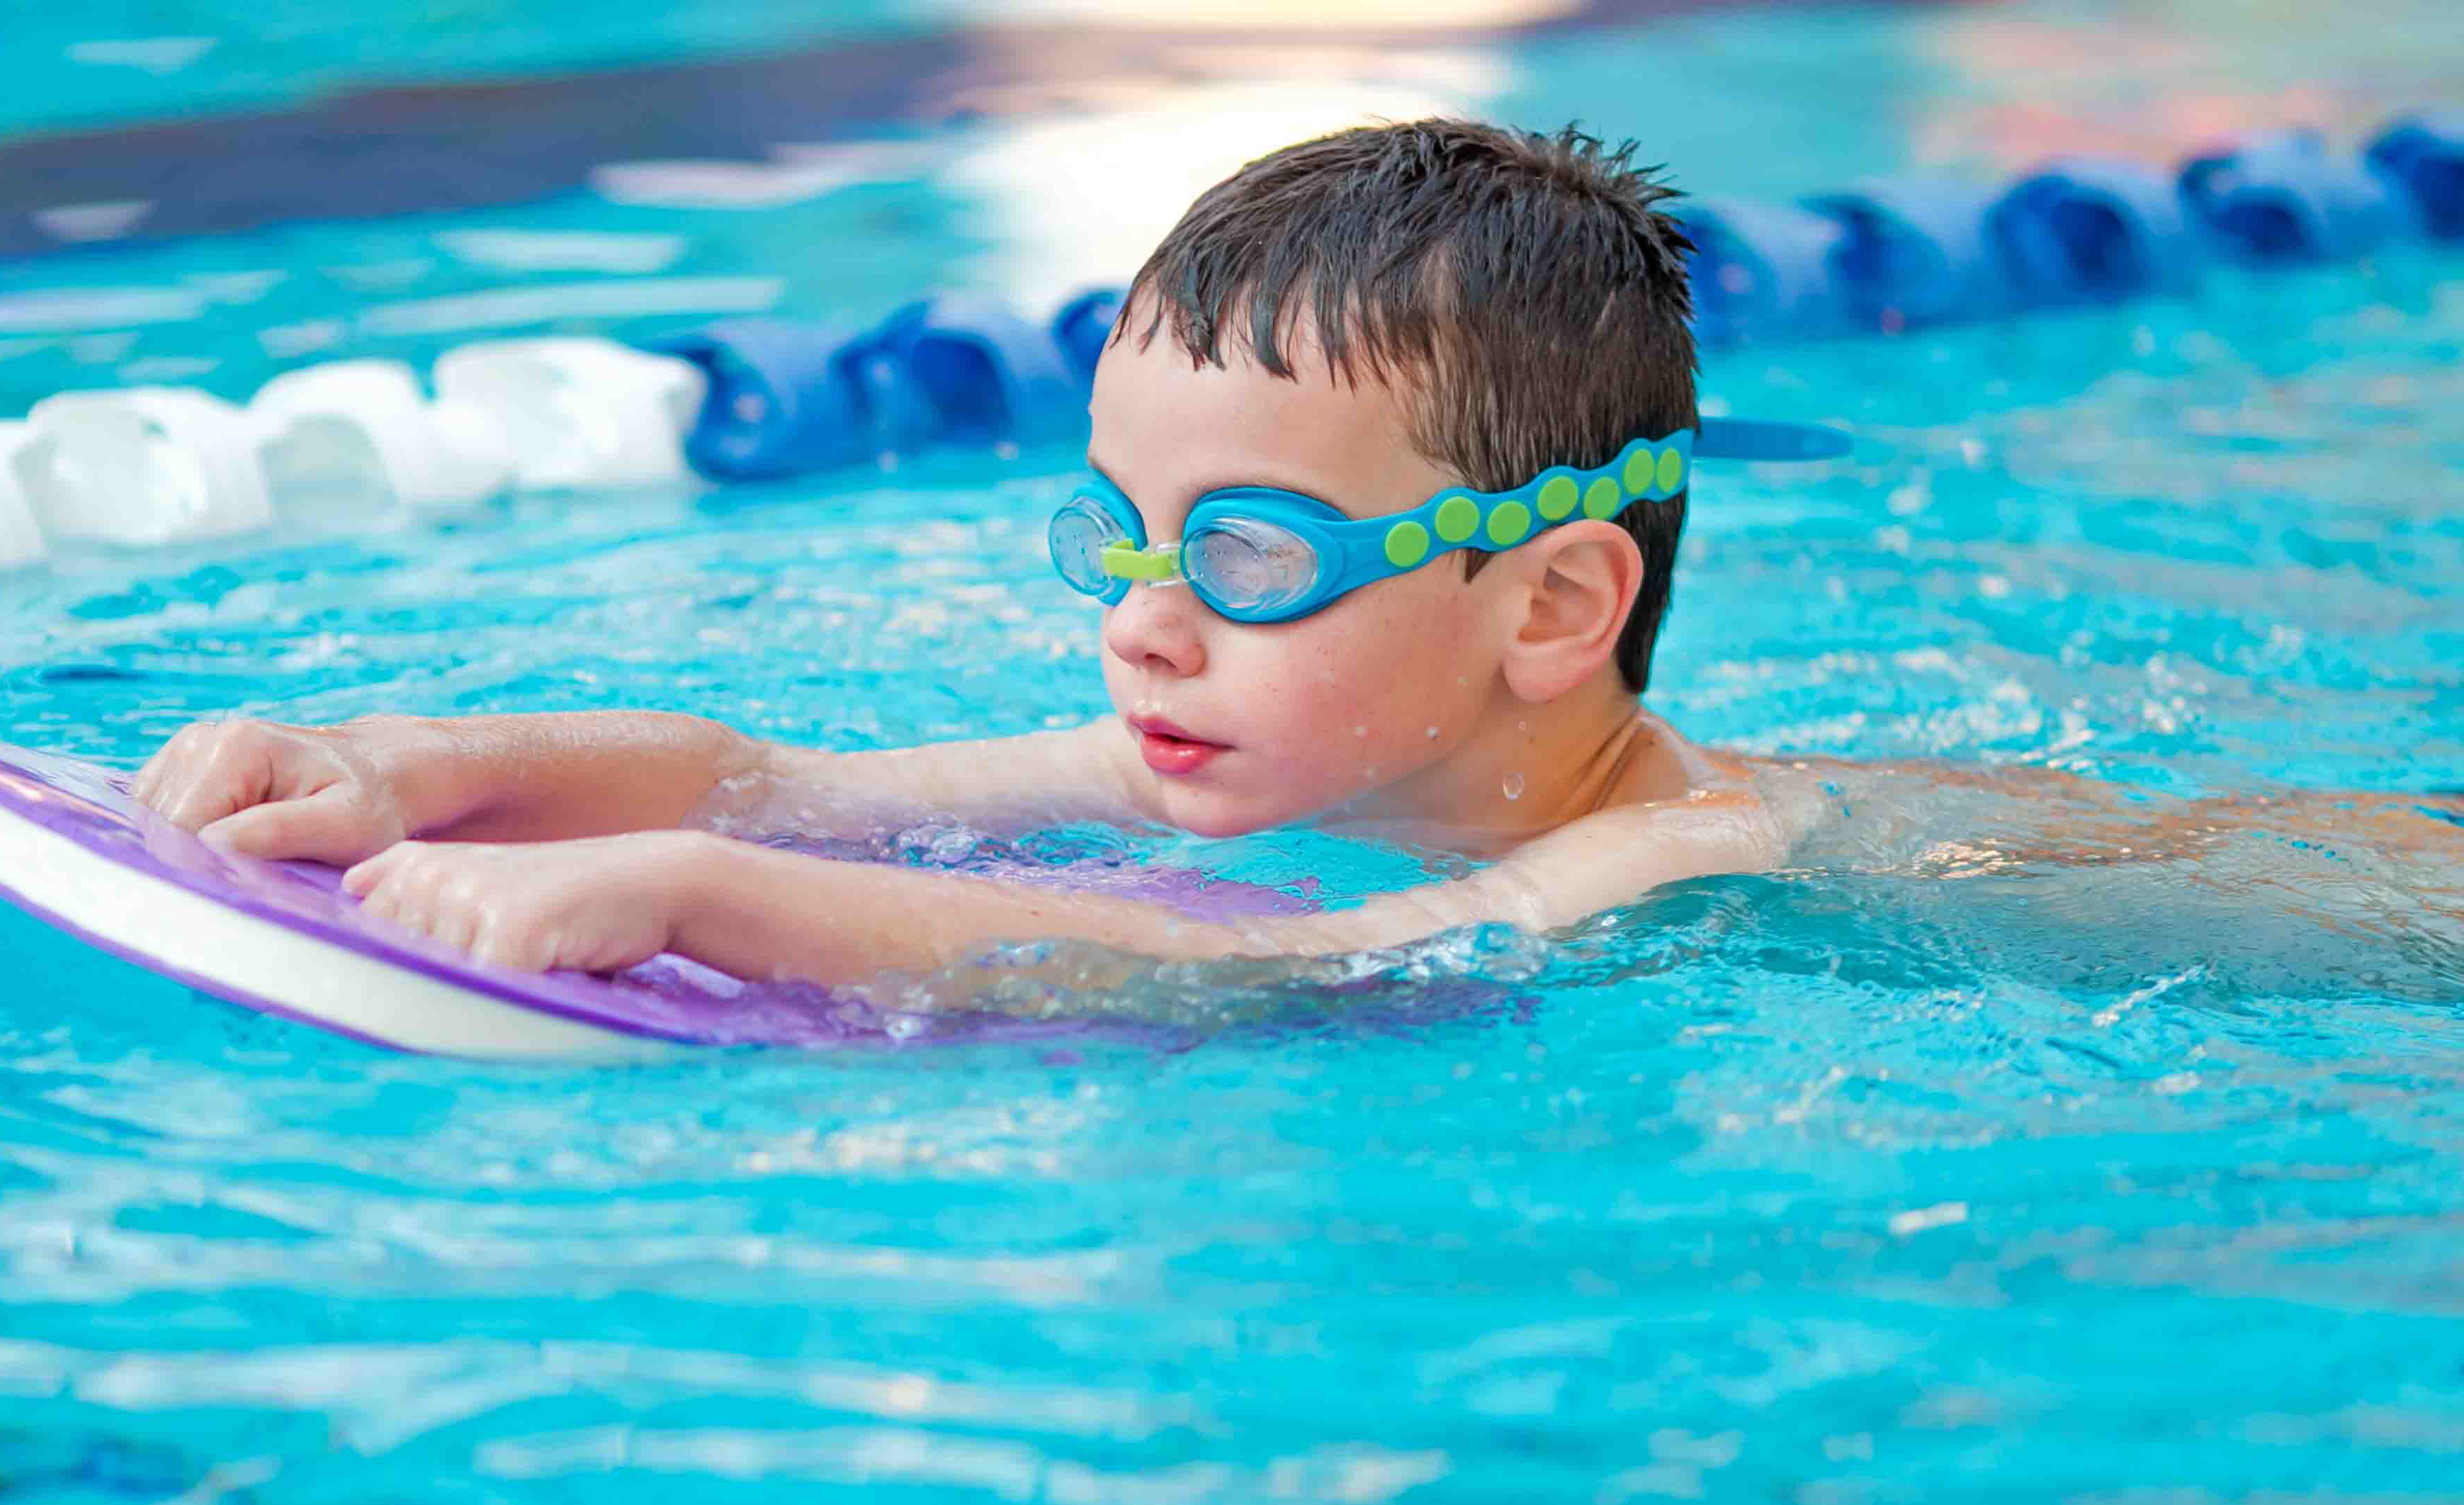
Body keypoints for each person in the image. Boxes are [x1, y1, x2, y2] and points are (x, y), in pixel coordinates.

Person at [124, 120, 2448, 989]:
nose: (1146, 611)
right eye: (1127, 534)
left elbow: (1283, 980)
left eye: (1244, 549)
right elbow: (782, 774)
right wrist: (411, 767)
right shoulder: (1245, 735)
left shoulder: (1669, 856)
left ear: (1552, 603)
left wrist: (698, 910)